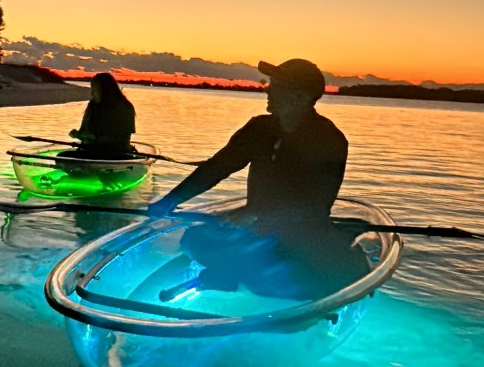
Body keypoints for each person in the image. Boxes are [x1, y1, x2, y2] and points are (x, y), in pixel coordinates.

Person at [146, 58, 368, 300]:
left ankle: (245, 279)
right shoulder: (259, 129)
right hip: (256, 227)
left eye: (277, 85)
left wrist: (254, 215)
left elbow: (316, 205)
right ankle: (233, 275)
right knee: (193, 239)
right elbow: (217, 167)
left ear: (300, 97)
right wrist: (170, 200)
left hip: (299, 233)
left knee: (272, 271)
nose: (267, 89)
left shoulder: (329, 140)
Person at [61, 72, 136, 159]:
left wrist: (94, 138)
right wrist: (78, 134)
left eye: (94, 90)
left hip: (117, 152)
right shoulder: (92, 106)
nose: (92, 93)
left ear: (105, 90)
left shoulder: (125, 107)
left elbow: (123, 137)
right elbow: (84, 132)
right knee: (62, 156)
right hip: (90, 150)